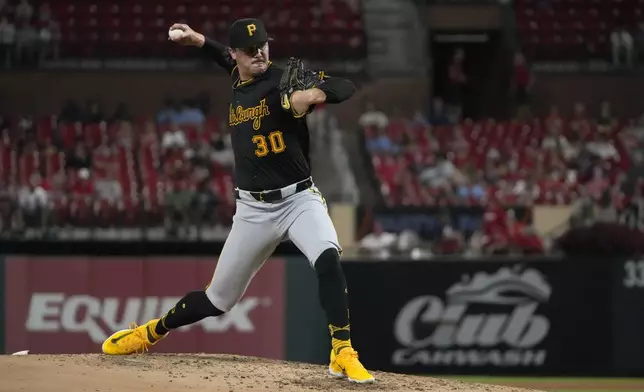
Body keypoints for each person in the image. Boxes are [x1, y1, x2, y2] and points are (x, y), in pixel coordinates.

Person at [100, 18, 374, 384]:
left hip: (298, 199)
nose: (259, 52)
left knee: (328, 258)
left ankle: (342, 351)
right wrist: (198, 39)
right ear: (236, 55)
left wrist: (312, 95)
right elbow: (221, 58)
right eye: (249, 49)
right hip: (252, 210)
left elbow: (346, 85)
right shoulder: (237, 74)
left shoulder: (281, 80)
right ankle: (149, 333)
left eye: (263, 44)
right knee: (216, 301)